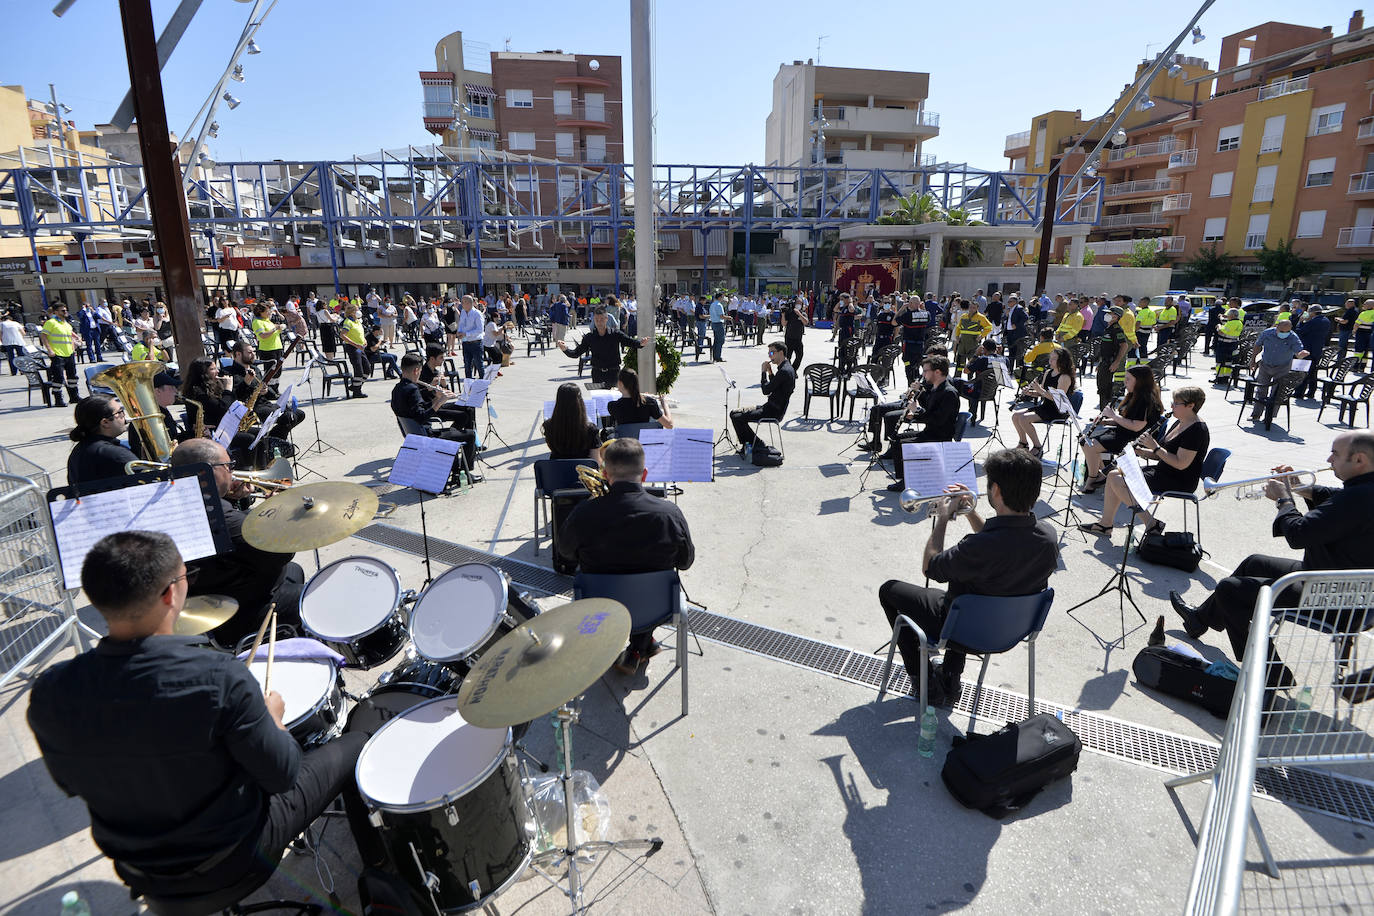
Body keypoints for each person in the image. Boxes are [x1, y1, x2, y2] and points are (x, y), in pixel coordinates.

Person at [26, 531, 381, 903]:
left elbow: (71, 782)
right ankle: (379, 876)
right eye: (187, 577)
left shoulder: (50, 693)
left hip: (138, 869)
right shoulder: (218, 677)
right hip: (233, 859)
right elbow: (283, 775)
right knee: (357, 742)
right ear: (170, 593)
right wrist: (273, 719)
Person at [1169, 432, 1374, 697]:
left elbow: (1298, 534)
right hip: (1347, 590)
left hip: (1329, 598)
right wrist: (1299, 487)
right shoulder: (1364, 491)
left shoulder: (1357, 499)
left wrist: (1284, 500)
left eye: (1335, 453)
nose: (1328, 459)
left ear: (1359, 460)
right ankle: (1199, 620)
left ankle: (1271, 671)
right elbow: (1333, 500)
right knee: (1254, 563)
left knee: (1229, 589)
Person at [877, 448, 1060, 706]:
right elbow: (1000, 541)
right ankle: (951, 677)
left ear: (996, 490)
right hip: (1011, 629)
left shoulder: (977, 548)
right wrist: (971, 512)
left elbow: (930, 567)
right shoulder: (1048, 537)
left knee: (889, 590)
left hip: (963, 631)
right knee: (970, 588)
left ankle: (926, 683)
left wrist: (943, 518)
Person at [556, 437, 694, 674]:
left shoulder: (584, 512)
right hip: (655, 608)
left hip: (599, 608)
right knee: (645, 582)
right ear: (645, 474)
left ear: (605, 474)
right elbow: (685, 562)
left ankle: (639, 647)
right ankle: (642, 645)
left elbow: (565, 553)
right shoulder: (670, 513)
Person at [169, 438, 305, 646]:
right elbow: (280, 552)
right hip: (237, 611)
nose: (233, 472)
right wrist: (278, 513)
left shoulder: (180, 499)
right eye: (228, 466)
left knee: (294, 571)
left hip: (210, 590)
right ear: (207, 471)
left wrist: (230, 498)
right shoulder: (219, 516)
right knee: (312, 597)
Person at [1079, 386, 1209, 538]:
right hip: (1164, 471)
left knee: (1118, 480)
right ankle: (1105, 524)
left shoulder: (1196, 430)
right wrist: (1140, 451)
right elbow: (1163, 455)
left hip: (1179, 480)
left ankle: (1151, 523)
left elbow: (1181, 464)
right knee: (1113, 475)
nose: (1172, 406)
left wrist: (1154, 447)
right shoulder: (1180, 422)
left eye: (1176, 403)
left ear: (1190, 405)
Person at [392, 353, 481, 481]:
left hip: (414, 435)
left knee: (456, 430)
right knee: (470, 435)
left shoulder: (397, 389)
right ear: (416, 370)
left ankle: (454, 466)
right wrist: (440, 402)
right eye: (420, 371)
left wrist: (436, 398)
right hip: (426, 435)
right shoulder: (412, 389)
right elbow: (422, 417)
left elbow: (417, 409)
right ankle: (463, 474)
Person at [883, 354, 961, 493]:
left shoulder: (949, 392)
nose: (923, 374)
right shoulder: (936, 387)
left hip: (939, 436)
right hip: (930, 432)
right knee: (896, 439)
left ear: (937, 372)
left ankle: (907, 481)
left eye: (926, 371)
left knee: (901, 445)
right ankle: (907, 477)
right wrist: (918, 395)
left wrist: (917, 411)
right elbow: (929, 408)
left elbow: (938, 419)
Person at [1080, 365, 1164, 492]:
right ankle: (1102, 475)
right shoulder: (1133, 395)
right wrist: (1105, 421)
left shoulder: (1145, 400)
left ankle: (1094, 479)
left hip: (1134, 439)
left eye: (1128, 379)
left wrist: (1113, 416)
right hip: (1122, 433)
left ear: (1139, 381)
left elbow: (1136, 426)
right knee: (1085, 441)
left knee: (1089, 445)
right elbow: (1126, 420)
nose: (1125, 382)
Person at [730, 341, 796, 453]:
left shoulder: (784, 371)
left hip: (773, 411)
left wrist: (763, 372)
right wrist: (770, 372)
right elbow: (775, 386)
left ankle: (755, 444)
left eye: (772, 353)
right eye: (769, 353)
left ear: (780, 353)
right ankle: (749, 444)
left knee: (737, 417)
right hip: (770, 407)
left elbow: (766, 390)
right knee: (734, 413)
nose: (770, 356)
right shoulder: (786, 367)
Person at [556, 307, 647, 388]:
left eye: (602, 319)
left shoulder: (615, 334)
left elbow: (630, 342)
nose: (599, 322)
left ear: (607, 319)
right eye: (597, 320)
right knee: (598, 399)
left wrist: (641, 343)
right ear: (594, 320)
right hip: (597, 374)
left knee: (613, 399)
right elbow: (576, 353)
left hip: (613, 374)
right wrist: (565, 349)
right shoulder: (590, 337)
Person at [1010, 346, 1076, 457]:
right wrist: (1031, 393)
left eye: (1054, 359)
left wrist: (1039, 390)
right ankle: (1023, 443)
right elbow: (1042, 393)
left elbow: (1057, 399)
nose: (1050, 361)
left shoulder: (1064, 377)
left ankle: (1037, 447)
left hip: (1058, 410)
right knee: (1015, 416)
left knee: (1024, 419)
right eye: (1050, 358)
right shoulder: (1048, 372)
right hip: (1045, 406)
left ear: (1062, 360)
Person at [67, 394, 138, 486]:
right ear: (105, 422)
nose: (124, 415)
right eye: (120, 412)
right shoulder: (117, 454)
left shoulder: (77, 451)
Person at [1247, 319, 1310, 423]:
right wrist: (1253, 360)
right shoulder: (1267, 333)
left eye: (1287, 331)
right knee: (1261, 389)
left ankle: (1269, 416)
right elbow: (1258, 345)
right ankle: (1256, 414)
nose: (1284, 333)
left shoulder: (1293, 337)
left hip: (1282, 367)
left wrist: (1301, 354)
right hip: (1265, 364)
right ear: (1276, 327)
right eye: (1282, 331)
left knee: (1277, 392)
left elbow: (1298, 352)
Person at [127, 370, 192, 460]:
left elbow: (173, 438)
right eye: (172, 387)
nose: (176, 391)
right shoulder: (149, 418)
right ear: (157, 391)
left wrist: (194, 434)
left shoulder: (162, 412)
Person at [544, 381, 602, 460]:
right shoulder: (590, 429)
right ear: (579, 402)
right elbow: (596, 460)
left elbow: (552, 448)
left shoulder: (548, 426)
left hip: (557, 467)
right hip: (582, 467)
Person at [41, 302, 80, 407]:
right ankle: (58, 399)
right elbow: (44, 336)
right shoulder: (51, 322)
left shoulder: (66, 324)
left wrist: (73, 349)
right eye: (63, 310)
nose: (65, 312)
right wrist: (50, 350)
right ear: (56, 312)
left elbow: (70, 337)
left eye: (66, 310)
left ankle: (74, 396)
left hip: (69, 353)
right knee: (58, 377)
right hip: (57, 354)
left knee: (72, 376)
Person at [607, 367, 672, 428]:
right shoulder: (649, 403)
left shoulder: (613, 406)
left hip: (625, 437)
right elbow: (669, 425)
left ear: (620, 383)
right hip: (643, 437)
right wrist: (664, 404)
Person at [1093, 305, 1132, 409]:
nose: (1107, 315)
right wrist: (1100, 362)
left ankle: (1106, 411)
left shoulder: (1116, 329)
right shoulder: (1108, 328)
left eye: (1110, 313)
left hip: (1110, 363)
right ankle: (1104, 411)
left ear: (1116, 316)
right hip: (1104, 361)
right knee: (1101, 387)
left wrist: (1116, 362)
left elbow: (1124, 345)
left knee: (1105, 389)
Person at [1295, 306, 1333, 400]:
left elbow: (1300, 331)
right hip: (1317, 349)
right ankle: (1311, 392)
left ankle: (1299, 392)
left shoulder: (1313, 322)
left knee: (1303, 371)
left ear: (1313, 312)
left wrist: (1300, 322)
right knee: (1312, 372)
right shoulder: (1326, 320)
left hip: (1308, 349)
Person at [339, 305, 369, 398]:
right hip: (353, 348)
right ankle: (357, 392)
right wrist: (355, 344)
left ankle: (355, 386)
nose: (359, 311)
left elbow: (360, 333)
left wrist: (364, 340)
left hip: (361, 348)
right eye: (357, 310)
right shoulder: (348, 322)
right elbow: (343, 335)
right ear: (352, 312)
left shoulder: (357, 321)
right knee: (358, 370)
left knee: (367, 369)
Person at [953, 299, 993, 368]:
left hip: (973, 343)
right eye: (970, 307)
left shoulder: (981, 317)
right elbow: (958, 327)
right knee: (960, 363)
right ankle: (958, 374)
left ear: (977, 308)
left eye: (974, 308)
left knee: (972, 363)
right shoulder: (964, 316)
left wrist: (981, 336)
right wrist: (957, 336)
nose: (971, 309)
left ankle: (970, 374)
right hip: (962, 342)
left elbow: (989, 327)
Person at [250, 303, 285, 369]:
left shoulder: (268, 321)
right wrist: (275, 329)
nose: (269, 313)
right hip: (268, 350)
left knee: (278, 371)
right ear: (260, 312)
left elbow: (274, 332)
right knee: (270, 371)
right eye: (267, 311)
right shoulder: (257, 322)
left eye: (269, 311)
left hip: (277, 348)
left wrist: (279, 328)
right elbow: (262, 335)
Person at [1, 309, 25, 376]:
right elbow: (23, 333)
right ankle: (23, 370)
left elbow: (0, 334)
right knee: (21, 356)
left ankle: (14, 371)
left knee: (11, 357)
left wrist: (2, 341)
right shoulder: (16, 323)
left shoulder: (2, 324)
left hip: (7, 342)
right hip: (18, 341)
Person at [709, 292, 726, 362]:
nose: (723, 298)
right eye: (722, 297)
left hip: (713, 323)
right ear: (719, 297)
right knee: (720, 340)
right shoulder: (719, 305)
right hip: (719, 323)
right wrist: (728, 317)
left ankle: (715, 356)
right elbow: (721, 316)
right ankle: (718, 356)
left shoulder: (712, 304)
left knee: (716, 340)